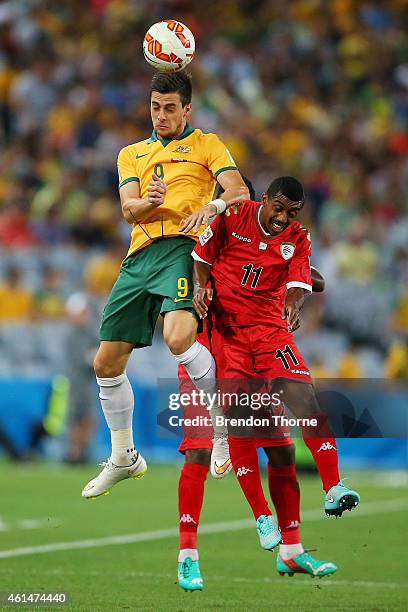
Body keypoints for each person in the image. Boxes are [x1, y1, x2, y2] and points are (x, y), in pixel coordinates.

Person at [81, 71, 249, 498]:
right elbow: (127, 209)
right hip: (139, 257)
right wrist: (149, 202)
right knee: (105, 364)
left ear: (187, 108)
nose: (161, 115)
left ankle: (221, 425)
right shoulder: (131, 153)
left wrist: (211, 207)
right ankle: (124, 457)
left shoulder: (207, 144)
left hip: (182, 248)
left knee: (178, 338)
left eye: (170, 107)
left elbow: (240, 192)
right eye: (155, 106)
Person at [176, 179, 335, 591]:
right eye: (227, 197)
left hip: (247, 352)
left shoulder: (259, 230)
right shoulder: (196, 233)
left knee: (282, 451)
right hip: (203, 358)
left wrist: (301, 277)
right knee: (197, 453)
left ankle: (292, 551)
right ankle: (187, 556)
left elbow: (285, 264)